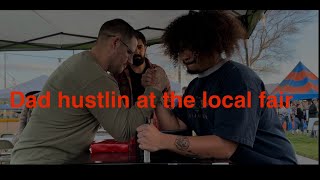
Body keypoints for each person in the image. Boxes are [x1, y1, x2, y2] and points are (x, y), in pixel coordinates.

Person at [136, 10, 297, 165]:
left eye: (193, 47)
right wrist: (155, 91)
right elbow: (176, 125)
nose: (185, 56)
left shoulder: (239, 80)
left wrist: (162, 141)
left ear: (215, 43)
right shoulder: (195, 86)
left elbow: (225, 147)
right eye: (181, 49)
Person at [10, 19, 169, 164]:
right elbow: (124, 130)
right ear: (115, 43)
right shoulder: (96, 77)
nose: (129, 60)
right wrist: (154, 89)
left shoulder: (81, 63)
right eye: (128, 52)